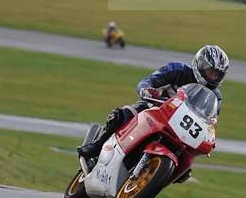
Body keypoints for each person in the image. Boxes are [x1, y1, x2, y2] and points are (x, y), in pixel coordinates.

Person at [78, 44, 229, 162]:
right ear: (201, 65)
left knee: (186, 168)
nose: (213, 77)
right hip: (157, 110)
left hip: (183, 129)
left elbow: (210, 121)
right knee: (122, 115)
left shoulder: (216, 97)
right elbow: (148, 80)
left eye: (218, 74)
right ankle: (97, 146)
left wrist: (210, 137)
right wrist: (146, 90)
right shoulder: (178, 70)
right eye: (211, 71)